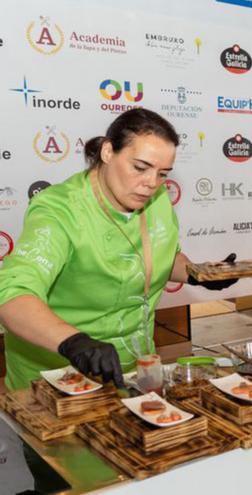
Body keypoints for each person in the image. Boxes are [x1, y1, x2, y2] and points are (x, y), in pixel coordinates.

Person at [0, 109, 236, 390]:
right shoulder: (60, 210)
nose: (151, 183)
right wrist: (74, 342)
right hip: (58, 374)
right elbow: (12, 296)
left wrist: (199, 273)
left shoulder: (156, 199)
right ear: (108, 151)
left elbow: (160, 257)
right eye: (140, 167)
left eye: (162, 174)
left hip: (134, 366)